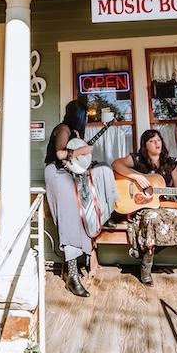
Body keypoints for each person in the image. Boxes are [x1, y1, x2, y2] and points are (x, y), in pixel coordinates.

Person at [44, 100, 116, 298]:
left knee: (102, 174)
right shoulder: (63, 128)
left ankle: (105, 215)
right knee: (71, 218)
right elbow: (60, 154)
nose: (86, 120)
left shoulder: (76, 134)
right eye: (85, 116)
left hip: (72, 174)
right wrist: (81, 151)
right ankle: (72, 275)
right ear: (78, 115)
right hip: (57, 174)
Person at [112, 130, 177, 285]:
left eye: (158, 140)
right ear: (145, 145)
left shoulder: (170, 163)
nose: (157, 143)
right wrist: (136, 177)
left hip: (164, 204)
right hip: (142, 206)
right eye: (152, 141)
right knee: (150, 218)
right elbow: (116, 164)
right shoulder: (137, 159)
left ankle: (143, 252)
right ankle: (146, 266)